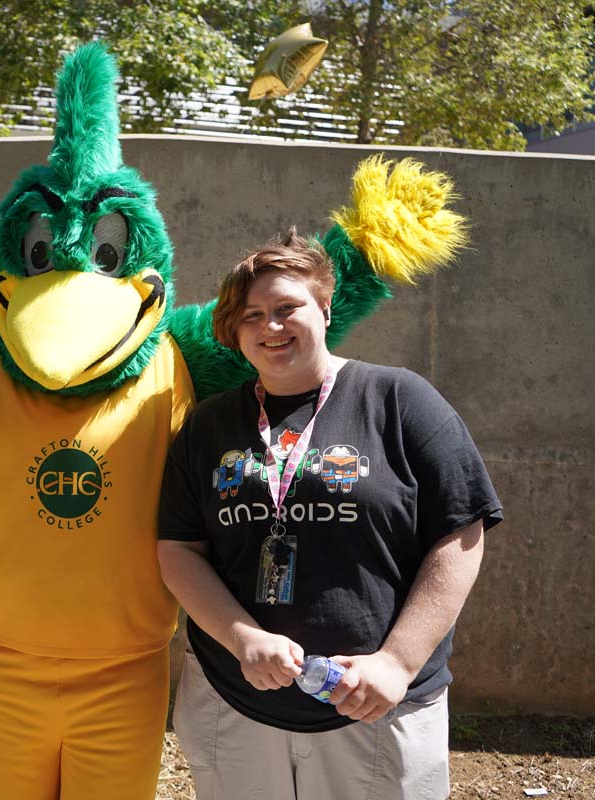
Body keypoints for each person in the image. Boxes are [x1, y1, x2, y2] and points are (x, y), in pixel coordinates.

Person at [157, 230, 503, 800]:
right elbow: (178, 550)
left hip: (375, 709)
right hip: (236, 704)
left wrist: (396, 662)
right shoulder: (209, 425)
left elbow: (461, 534)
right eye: (252, 315)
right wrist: (242, 638)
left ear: (323, 306)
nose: (271, 326)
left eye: (287, 307)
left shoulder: (399, 400)